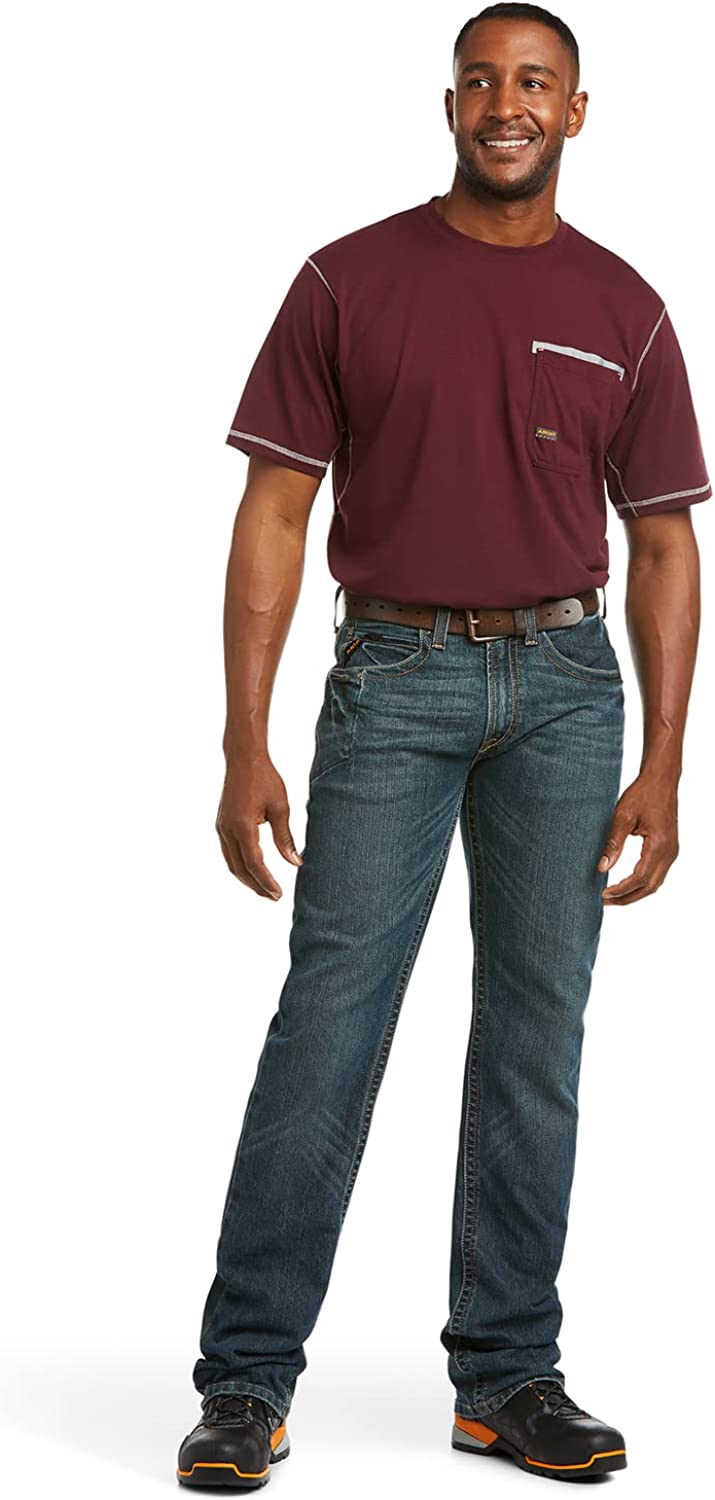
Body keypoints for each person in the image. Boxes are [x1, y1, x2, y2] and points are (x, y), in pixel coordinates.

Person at [176, 2, 711, 1487]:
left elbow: (665, 543)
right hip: (393, 680)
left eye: (536, 82)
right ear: (451, 102)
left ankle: (508, 1376)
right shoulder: (348, 279)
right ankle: (246, 1381)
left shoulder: (627, 306)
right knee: (330, 1026)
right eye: (483, 79)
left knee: (538, 1042)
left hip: (568, 689)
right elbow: (274, 511)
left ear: (577, 112)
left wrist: (667, 762)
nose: (507, 103)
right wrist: (242, 738)